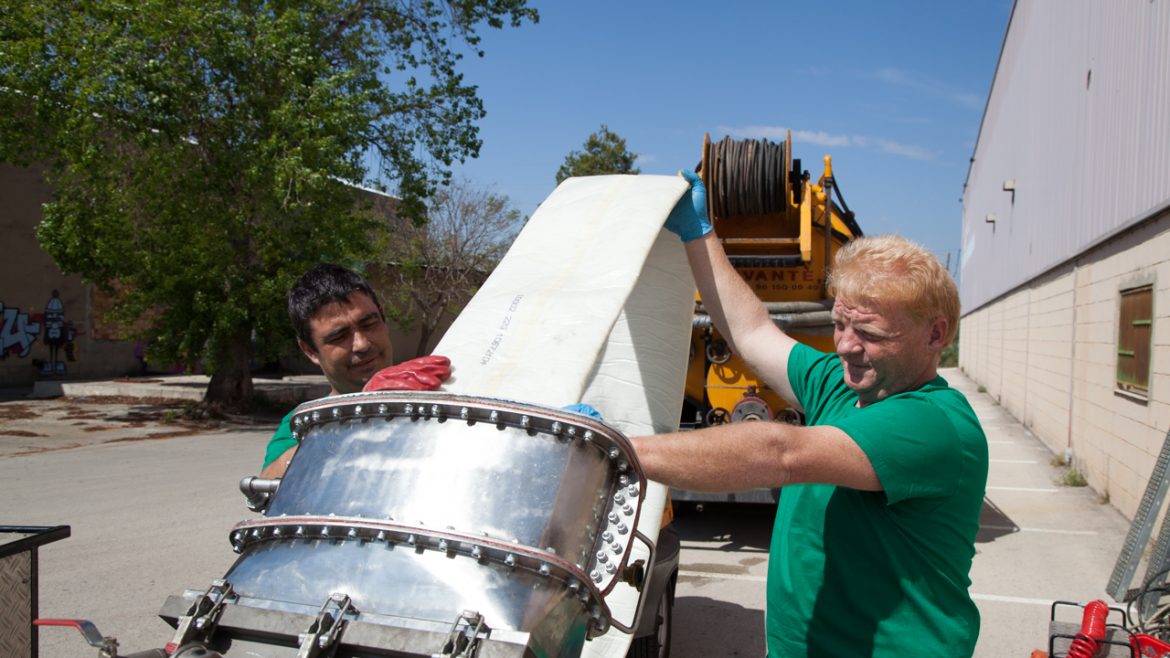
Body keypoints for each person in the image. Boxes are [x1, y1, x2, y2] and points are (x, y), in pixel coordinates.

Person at [632, 170, 988, 657]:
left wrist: (617, 449)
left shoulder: (932, 423)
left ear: (935, 335)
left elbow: (782, 454)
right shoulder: (841, 388)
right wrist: (701, 233)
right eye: (839, 323)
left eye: (870, 333)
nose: (845, 345)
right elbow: (753, 332)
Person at [259, 263, 451, 478]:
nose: (361, 344)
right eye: (338, 337)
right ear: (310, 351)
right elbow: (268, 482)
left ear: (383, 318)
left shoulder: (445, 396)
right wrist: (354, 418)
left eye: (369, 324)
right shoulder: (303, 424)